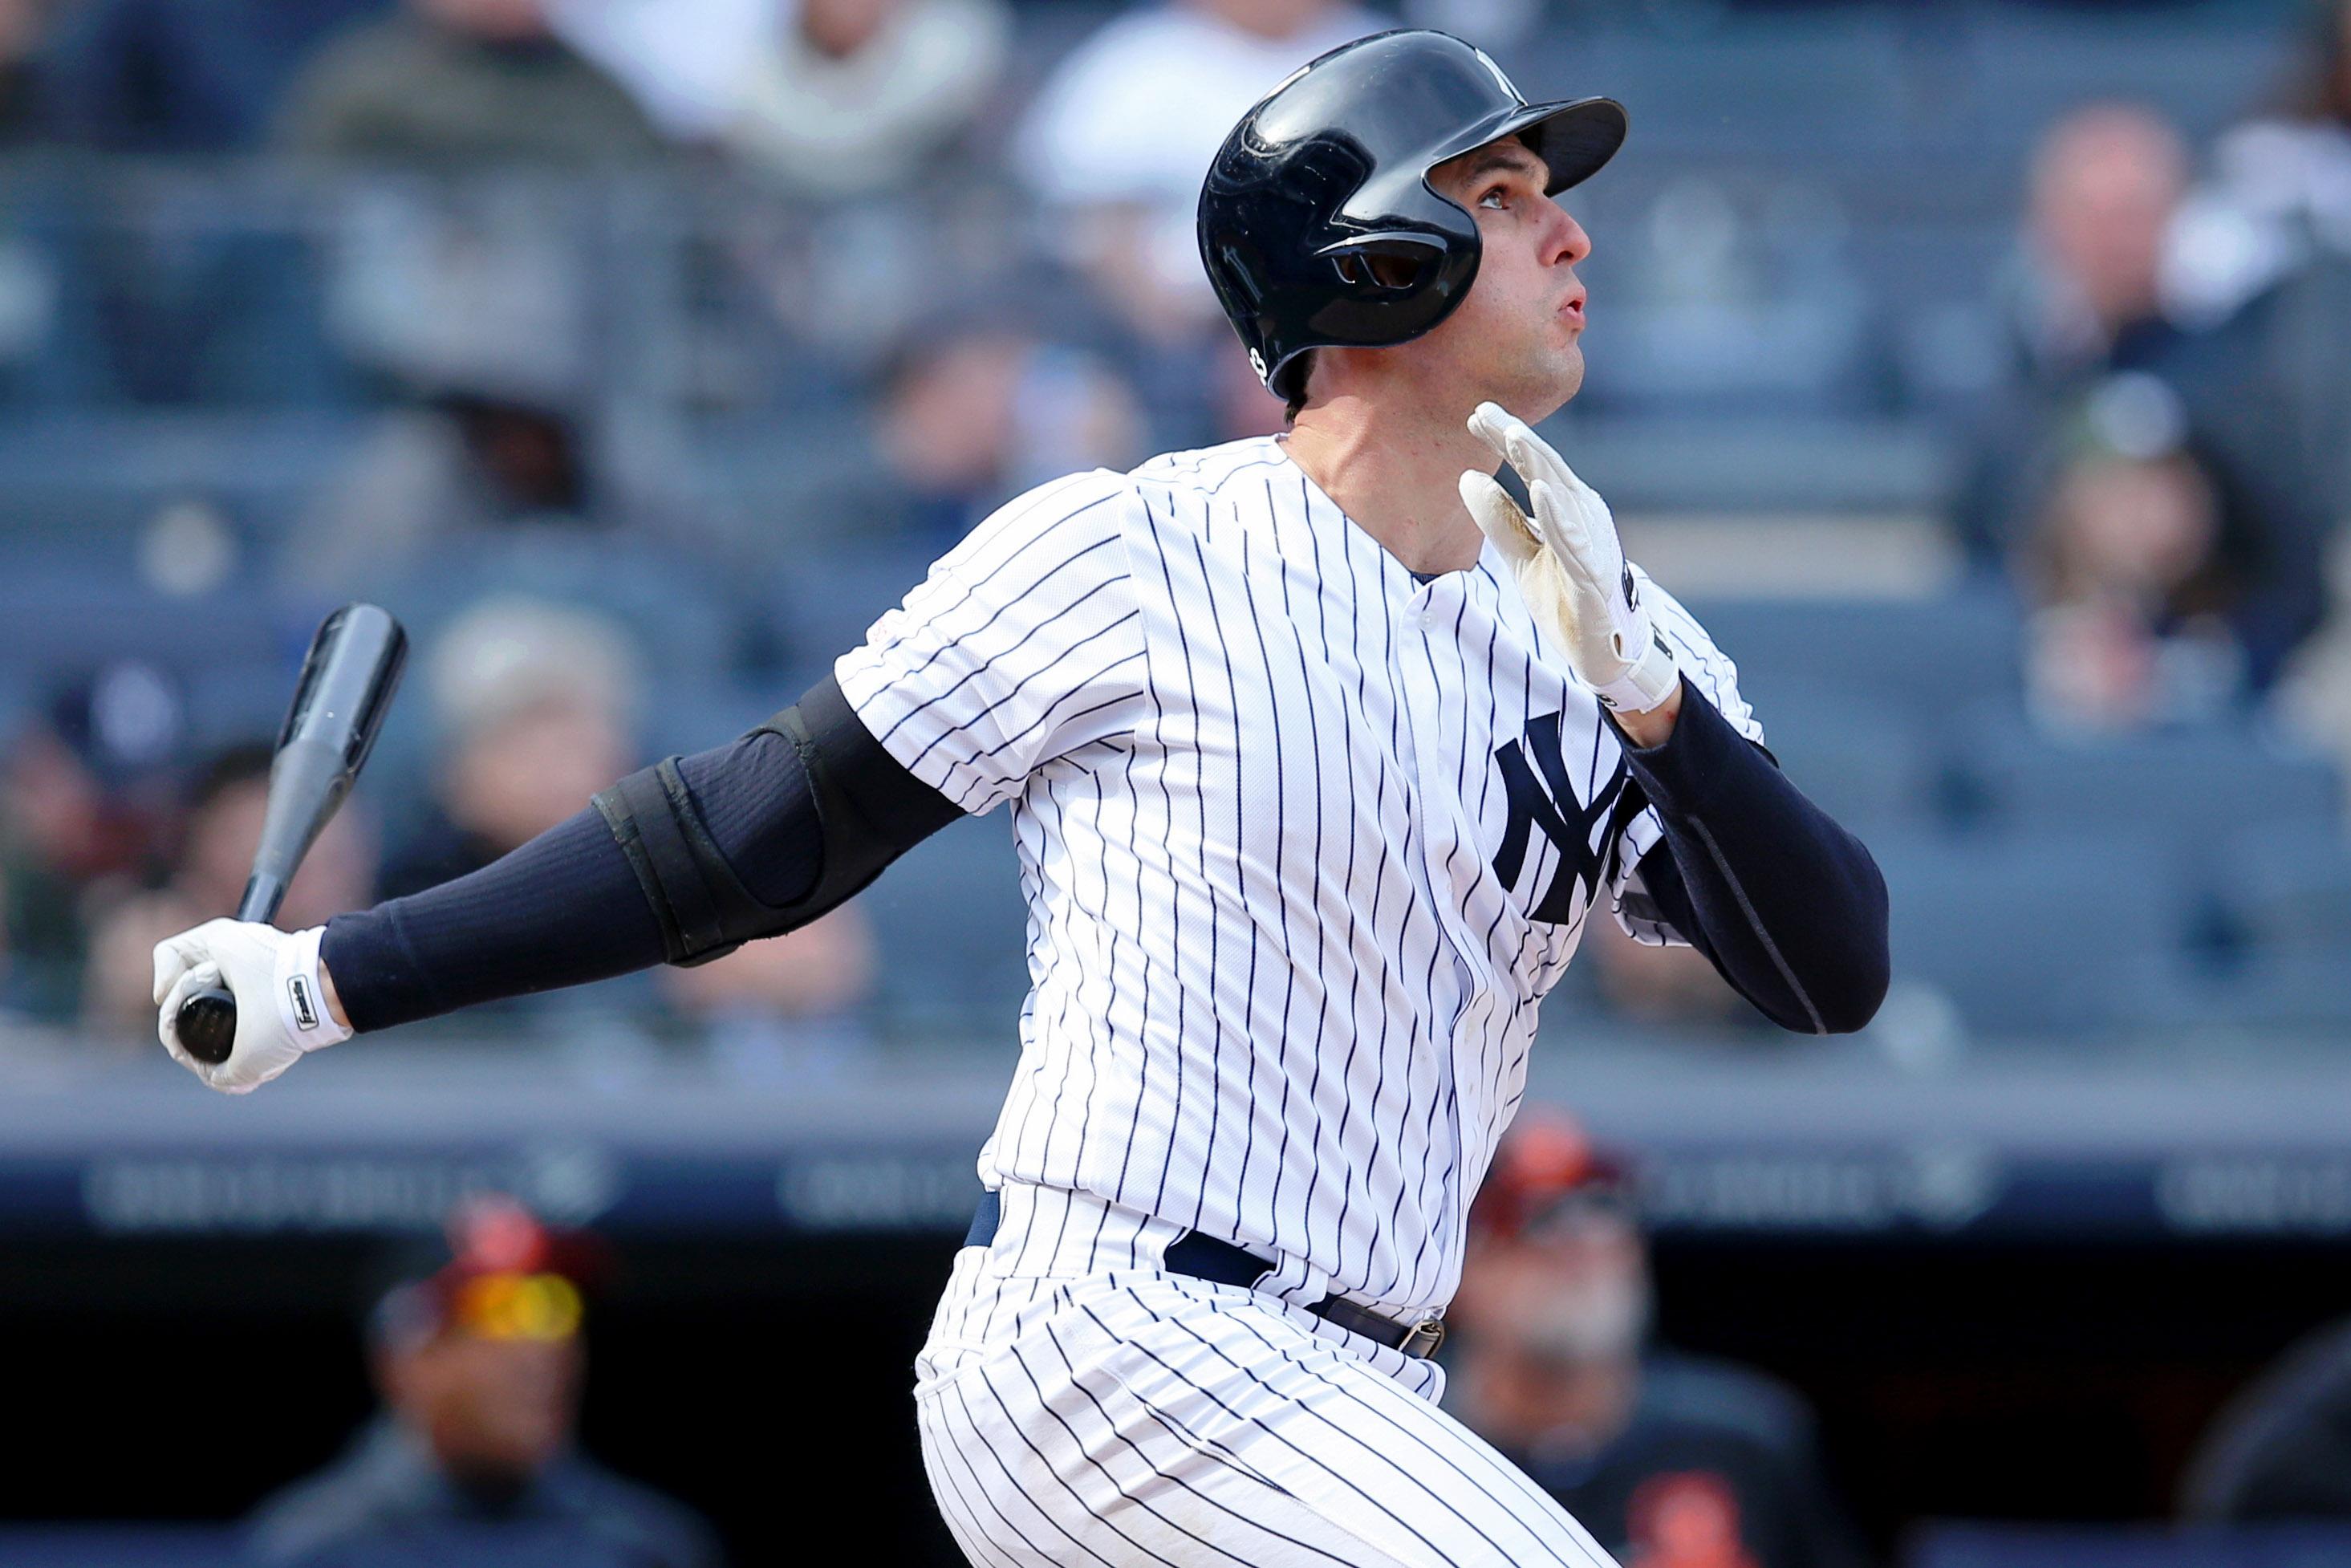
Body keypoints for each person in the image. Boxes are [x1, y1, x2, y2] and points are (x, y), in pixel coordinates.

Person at [153, 31, 1889, 1565]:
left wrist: (1652, 704)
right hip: (1120, 1334)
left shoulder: (1602, 616)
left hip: (1356, 1375)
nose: (1574, 230)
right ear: (1376, 250)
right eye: (1506, 194)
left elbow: (1834, 971)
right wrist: (326, 978)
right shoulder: (1133, 548)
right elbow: (748, 833)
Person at [1450, 1111, 1870, 1568]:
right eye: (1535, 1223)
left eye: (1604, 1211)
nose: (1579, 1246)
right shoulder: (1414, 1439)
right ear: (1460, 1270)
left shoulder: (1738, 1436)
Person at [248, 1194, 723, 1568]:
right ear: (411, 1361)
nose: (539, 1352)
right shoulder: (315, 1547)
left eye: (556, 1309)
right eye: (501, 1312)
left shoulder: (643, 1547)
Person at [274, 0, 663, 165]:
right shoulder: (363, 85)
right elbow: (300, 211)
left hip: (572, 323)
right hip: (390, 325)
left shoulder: (600, 96)